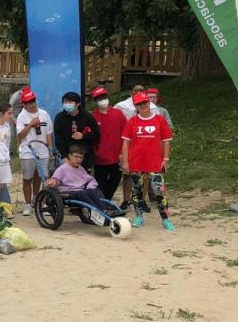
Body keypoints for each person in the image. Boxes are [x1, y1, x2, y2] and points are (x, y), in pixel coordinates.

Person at [121, 91, 175, 232]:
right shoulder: (132, 121)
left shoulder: (159, 120)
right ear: (135, 106)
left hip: (155, 162)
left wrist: (166, 159)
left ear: (149, 103)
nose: (143, 105)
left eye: (145, 102)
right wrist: (125, 162)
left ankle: (165, 219)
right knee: (137, 191)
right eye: (139, 104)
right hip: (136, 162)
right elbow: (126, 143)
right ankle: (139, 216)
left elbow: (166, 141)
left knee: (159, 191)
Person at [45, 145, 119, 215]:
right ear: (70, 156)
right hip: (68, 193)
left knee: (95, 190)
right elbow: (56, 179)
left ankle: (106, 207)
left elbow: (90, 180)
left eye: (81, 158)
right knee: (82, 193)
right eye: (76, 157)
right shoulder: (63, 168)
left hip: (82, 191)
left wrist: (89, 188)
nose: (78, 160)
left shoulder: (81, 168)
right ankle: (100, 210)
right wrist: (53, 182)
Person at [15, 88, 54, 216]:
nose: (32, 104)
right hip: (28, 151)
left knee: (41, 177)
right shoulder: (22, 116)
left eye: (33, 101)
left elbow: (48, 133)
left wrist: (50, 149)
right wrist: (31, 123)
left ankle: (37, 200)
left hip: (43, 151)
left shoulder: (44, 114)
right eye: (29, 102)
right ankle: (27, 204)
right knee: (28, 178)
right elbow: (20, 135)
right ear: (24, 104)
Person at [89, 86, 127, 201]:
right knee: (101, 182)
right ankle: (103, 203)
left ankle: (106, 201)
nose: (102, 100)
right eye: (99, 98)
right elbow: (89, 135)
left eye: (104, 97)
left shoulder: (118, 114)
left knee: (115, 180)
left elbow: (125, 135)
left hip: (117, 156)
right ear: (95, 101)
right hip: (100, 158)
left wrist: (122, 153)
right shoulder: (92, 117)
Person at [53, 91, 100, 170]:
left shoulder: (87, 116)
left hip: (85, 157)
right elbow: (58, 138)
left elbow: (97, 134)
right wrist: (64, 156)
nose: (67, 104)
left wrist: (83, 136)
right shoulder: (59, 117)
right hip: (68, 157)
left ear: (78, 104)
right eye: (65, 102)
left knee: (83, 180)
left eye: (70, 102)